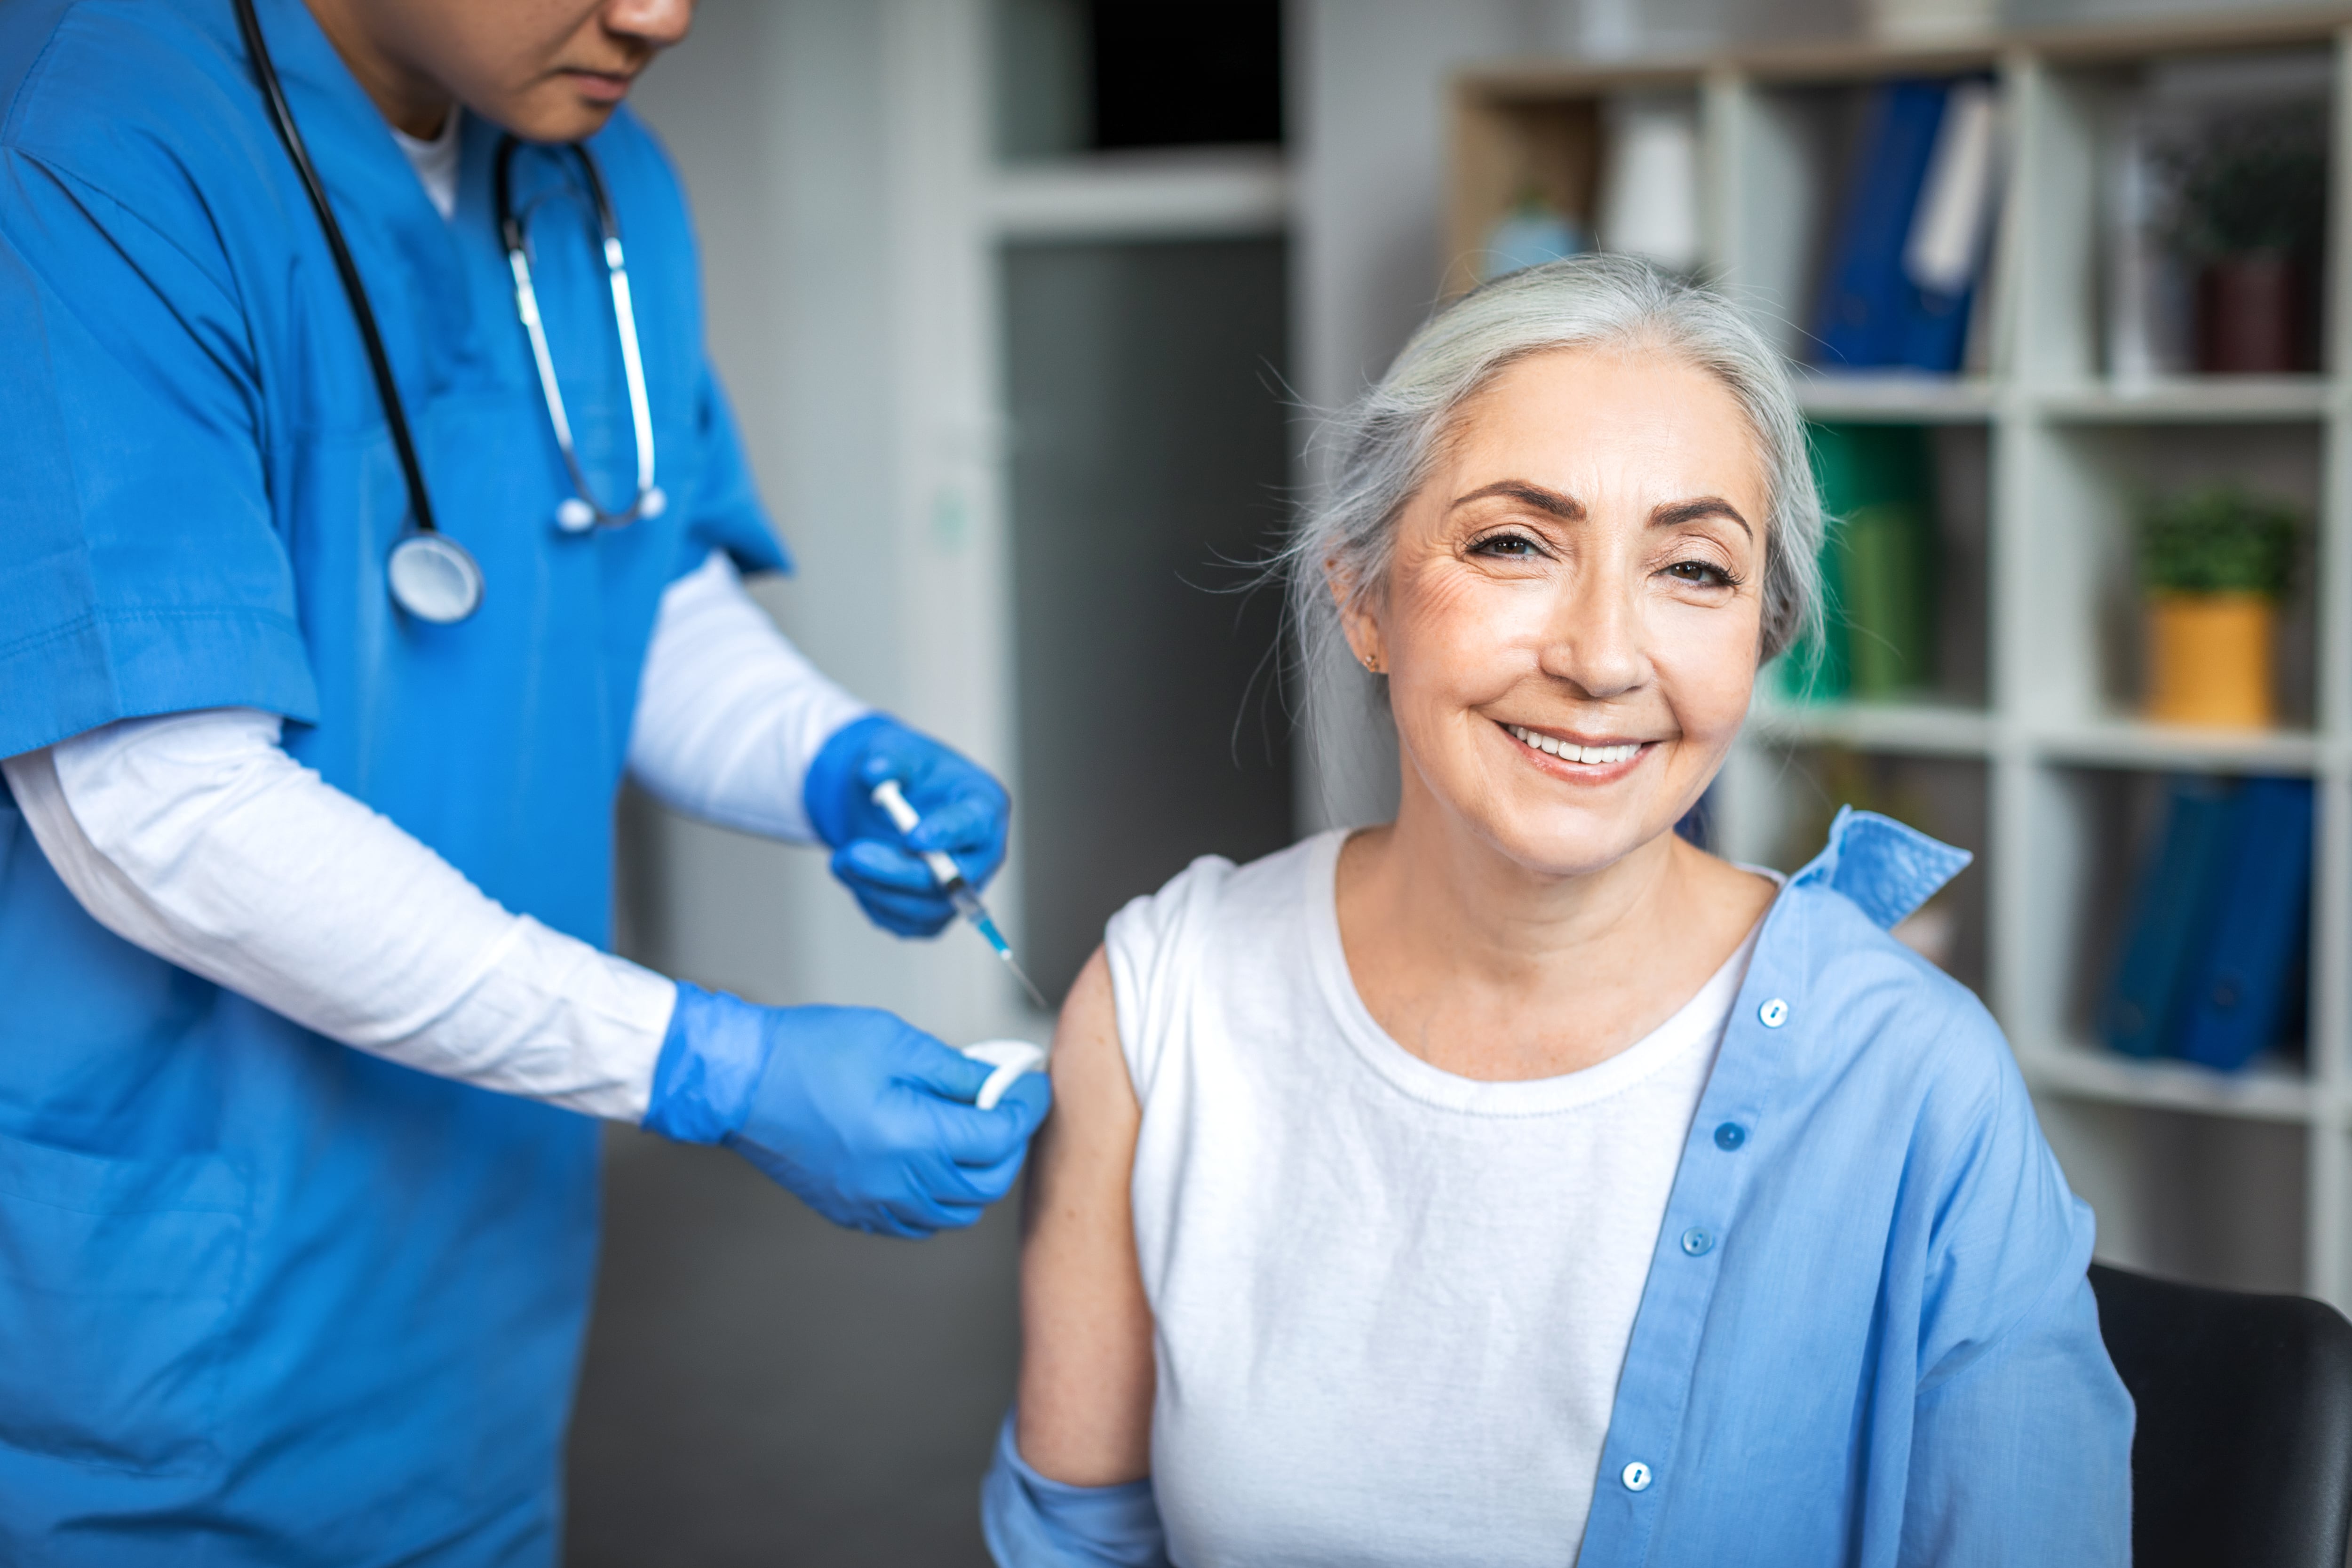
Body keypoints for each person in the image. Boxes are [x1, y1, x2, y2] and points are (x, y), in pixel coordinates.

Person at [0, 0, 1046, 1560]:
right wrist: (707, 1060)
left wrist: (824, 758)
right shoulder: (90, 150)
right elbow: (161, 804)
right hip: (154, 1325)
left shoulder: (597, 179)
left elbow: (635, 586)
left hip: (472, 1308)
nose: (661, 14)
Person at [981, 255, 2133, 1566]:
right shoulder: (1161, 1004)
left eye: (1693, 570)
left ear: (1761, 633)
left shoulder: (1917, 1082)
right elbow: (1077, 1544)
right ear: (1362, 594)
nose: (1601, 657)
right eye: (1516, 544)